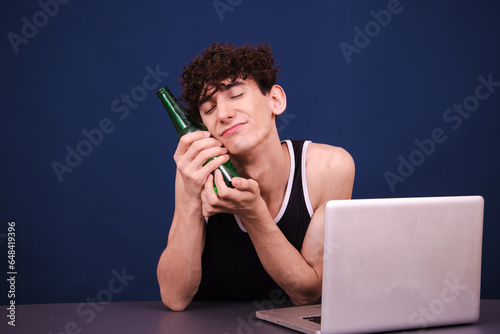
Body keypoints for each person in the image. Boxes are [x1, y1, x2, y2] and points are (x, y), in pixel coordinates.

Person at [157, 43, 355, 311]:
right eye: (209, 108)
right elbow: (175, 297)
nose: (224, 114)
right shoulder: (197, 173)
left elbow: (307, 293)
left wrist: (254, 214)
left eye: (236, 95)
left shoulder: (330, 167)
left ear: (275, 100)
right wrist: (192, 196)